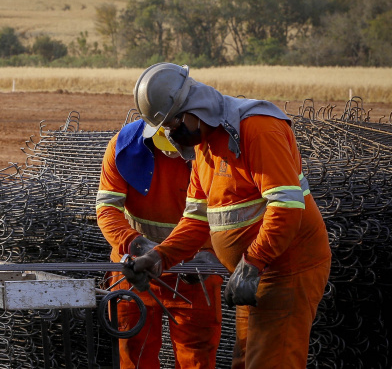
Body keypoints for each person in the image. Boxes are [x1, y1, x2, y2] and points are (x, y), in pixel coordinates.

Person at [126, 63, 331, 369]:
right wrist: (159, 257)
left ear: (191, 108)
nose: (171, 133)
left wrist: (254, 262)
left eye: (172, 123)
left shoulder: (257, 128)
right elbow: (196, 219)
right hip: (253, 271)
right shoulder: (204, 147)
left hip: (287, 268)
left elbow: (286, 206)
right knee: (245, 363)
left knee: (271, 363)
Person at [98, 118, 223, 369]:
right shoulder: (123, 147)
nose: (170, 154)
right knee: (133, 355)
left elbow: (226, 211)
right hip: (135, 271)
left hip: (193, 269)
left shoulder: (213, 151)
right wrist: (135, 244)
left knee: (195, 358)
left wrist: (210, 252)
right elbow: (107, 209)